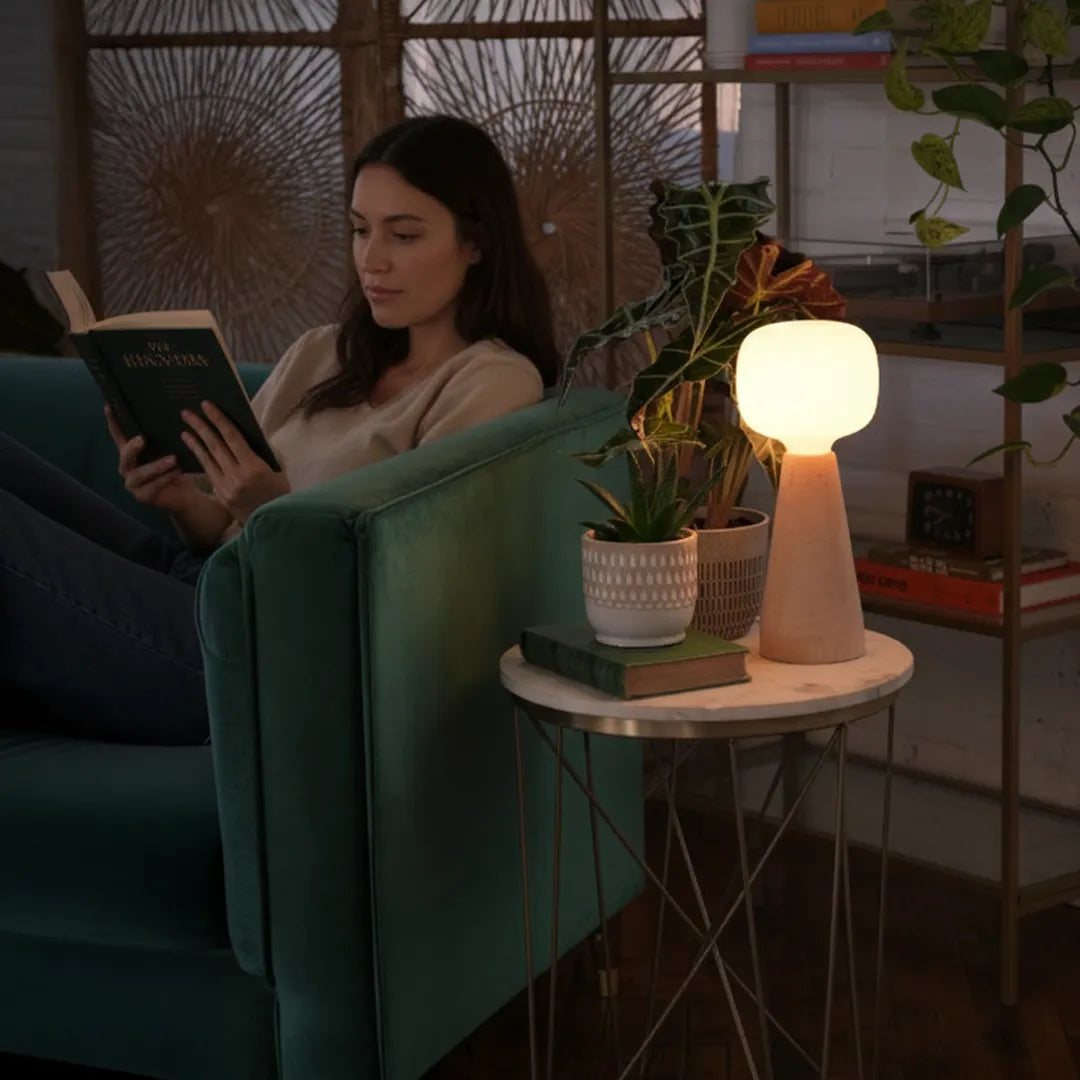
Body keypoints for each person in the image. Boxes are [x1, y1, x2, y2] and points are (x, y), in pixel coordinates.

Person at [0, 114, 559, 746]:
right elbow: (229, 532)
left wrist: (269, 505)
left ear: (476, 242)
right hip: (202, 583)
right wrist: (187, 503)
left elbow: (415, 582)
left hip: (259, 647)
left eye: (403, 235)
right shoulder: (325, 354)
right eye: (359, 229)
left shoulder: (491, 381)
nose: (371, 260)